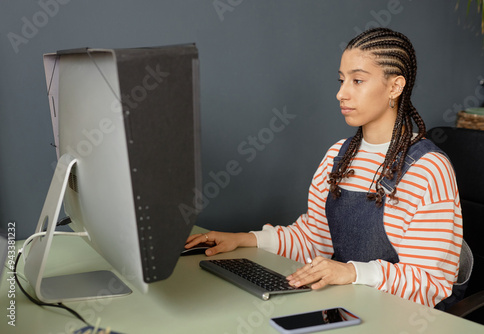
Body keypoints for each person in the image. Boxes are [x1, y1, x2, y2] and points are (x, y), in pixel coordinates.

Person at [185, 27, 463, 309]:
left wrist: (351, 272)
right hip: (350, 307)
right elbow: (313, 239)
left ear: (395, 87)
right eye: (342, 80)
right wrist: (244, 240)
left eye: (357, 81)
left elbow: (430, 283)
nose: (341, 93)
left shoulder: (428, 169)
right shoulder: (338, 157)